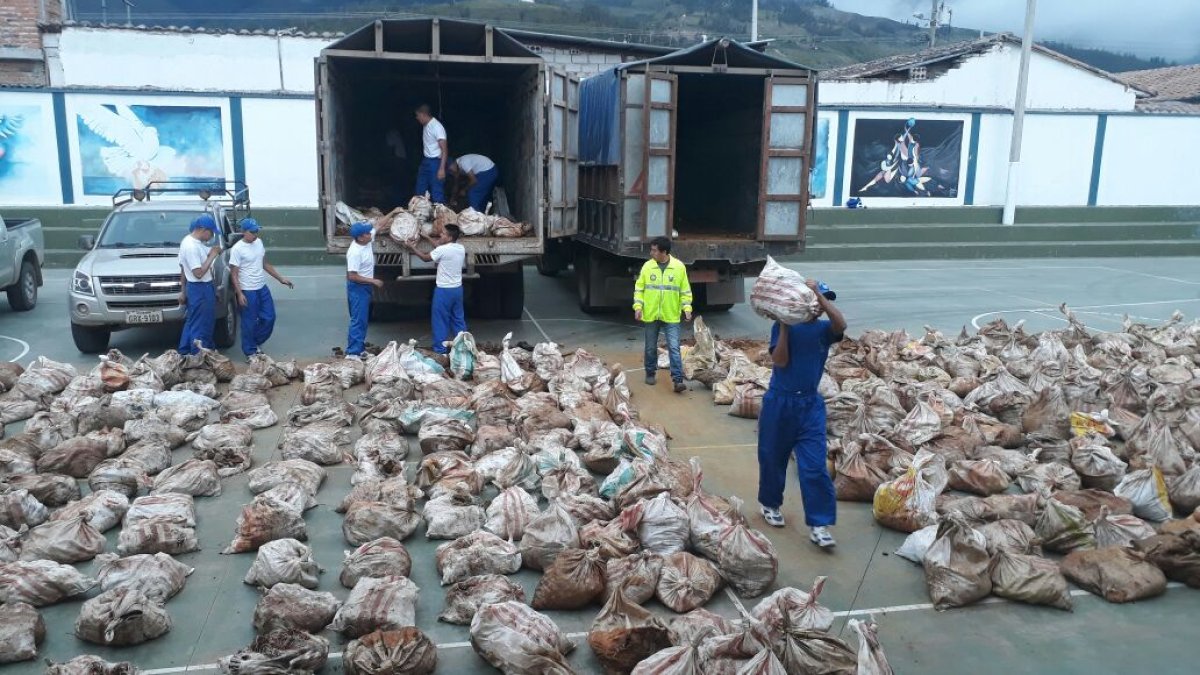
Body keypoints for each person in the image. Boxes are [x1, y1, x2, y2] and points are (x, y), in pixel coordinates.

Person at [757, 279, 846, 549]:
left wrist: (820, 295)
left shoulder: (824, 330)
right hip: (779, 403)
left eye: (823, 301)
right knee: (772, 458)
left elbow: (841, 325)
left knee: (814, 466)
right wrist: (785, 323)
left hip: (810, 406)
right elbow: (780, 360)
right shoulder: (782, 327)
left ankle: (819, 525)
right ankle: (770, 503)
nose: (819, 306)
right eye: (815, 300)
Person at [633, 236, 692, 393]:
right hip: (651, 315)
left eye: (654, 250)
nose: (651, 253)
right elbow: (639, 289)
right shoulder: (647, 267)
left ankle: (678, 380)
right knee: (650, 347)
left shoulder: (678, 267)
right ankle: (650, 372)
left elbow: (685, 290)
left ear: (664, 252)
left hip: (671, 315)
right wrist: (638, 307)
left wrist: (687, 308)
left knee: (674, 348)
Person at [229, 218, 294, 359]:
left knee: (269, 317)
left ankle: (255, 342)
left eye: (257, 231)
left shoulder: (259, 243)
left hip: (262, 287)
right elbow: (234, 274)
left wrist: (280, 279)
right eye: (252, 232)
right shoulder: (237, 249)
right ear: (243, 232)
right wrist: (239, 294)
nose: (255, 234)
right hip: (247, 290)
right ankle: (250, 352)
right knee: (249, 322)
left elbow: (265, 264)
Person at [406, 224, 466, 354]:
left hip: (444, 291)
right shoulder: (460, 248)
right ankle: (463, 348)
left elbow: (425, 258)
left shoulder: (443, 250)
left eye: (443, 234)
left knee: (440, 321)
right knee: (458, 319)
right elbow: (439, 247)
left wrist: (412, 247)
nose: (440, 235)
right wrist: (427, 237)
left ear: (449, 237)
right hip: (457, 289)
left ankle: (440, 350)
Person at [177, 214, 222, 355]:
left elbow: (183, 268)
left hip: (197, 288)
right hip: (200, 288)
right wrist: (213, 255)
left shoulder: (193, 242)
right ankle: (199, 355)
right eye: (211, 232)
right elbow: (198, 273)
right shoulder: (191, 247)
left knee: (192, 321)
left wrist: (183, 291)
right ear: (203, 229)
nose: (212, 236)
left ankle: (184, 353)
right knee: (202, 324)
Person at [345, 220, 385, 358]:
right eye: (367, 233)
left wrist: (394, 212)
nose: (370, 234)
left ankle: (360, 349)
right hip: (358, 288)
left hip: (364, 287)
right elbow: (352, 276)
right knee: (358, 320)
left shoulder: (365, 241)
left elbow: (378, 226)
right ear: (361, 237)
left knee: (362, 320)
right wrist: (373, 281)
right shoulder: (355, 252)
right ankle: (352, 353)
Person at [414, 104, 448, 204]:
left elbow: (444, 149)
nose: (417, 118)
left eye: (418, 115)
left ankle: (440, 210)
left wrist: (442, 168)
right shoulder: (426, 125)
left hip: (436, 162)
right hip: (426, 160)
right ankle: (419, 209)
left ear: (423, 114)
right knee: (420, 188)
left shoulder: (437, 127)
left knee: (436, 190)